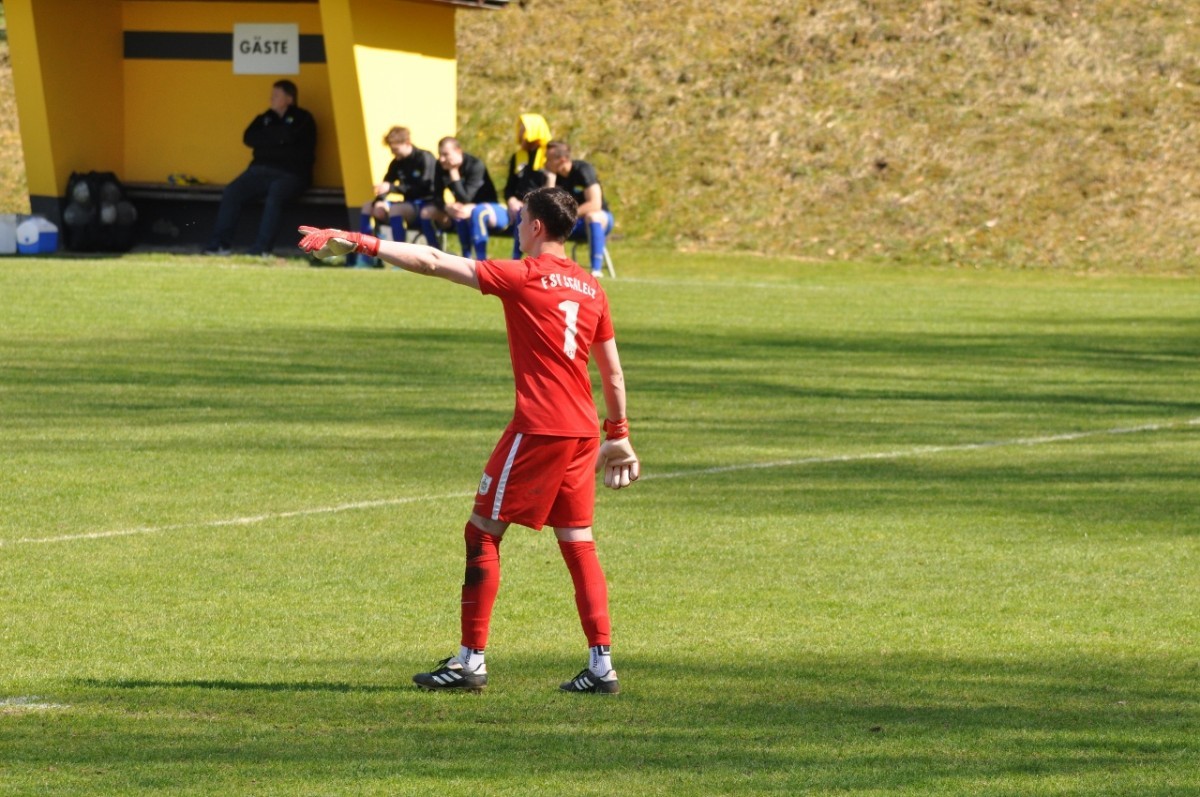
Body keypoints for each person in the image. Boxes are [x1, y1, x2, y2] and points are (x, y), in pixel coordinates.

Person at [296, 186, 640, 694]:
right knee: (578, 543)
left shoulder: (522, 275)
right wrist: (620, 435)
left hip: (538, 428)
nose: (517, 226)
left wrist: (359, 241)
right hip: (584, 431)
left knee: (482, 534)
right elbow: (610, 371)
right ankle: (601, 665)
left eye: (521, 218)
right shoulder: (593, 287)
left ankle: (470, 662)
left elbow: (433, 260)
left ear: (538, 227)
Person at [204, 80, 317, 257]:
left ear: (289, 98)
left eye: (276, 95)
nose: (271, 98)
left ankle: (261, 249)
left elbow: (292, 137)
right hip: (258, 171)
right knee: (232, 191)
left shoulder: (303, 118)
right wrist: (279, 138)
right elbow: (249, 138)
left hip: (291, 174)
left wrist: (269, 138)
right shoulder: (264, 118)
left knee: (275, 194)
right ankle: (219, 245)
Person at [467, 113, 552, 260]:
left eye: (524, 128)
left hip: (534, 209)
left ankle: (516, 259)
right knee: (479, 212)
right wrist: (511, 199)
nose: (519, 132)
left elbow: (550, 190)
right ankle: (479, 259)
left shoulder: (548, 156)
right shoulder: (518, 157)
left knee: (523, 212)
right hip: (512, 208)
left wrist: (527, 203)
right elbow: (509, 187)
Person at [353, 126, 436, 265]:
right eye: (392, 150)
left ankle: (401, 260)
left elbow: (425, 187)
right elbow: (386, 184)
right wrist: (379, 201)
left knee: (396, 209)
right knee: (368, 207)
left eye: (396, 149)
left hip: (425, 203)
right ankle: (366, 257)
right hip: (408, 205)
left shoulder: (424, 158)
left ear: (407, 143)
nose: (394, 153)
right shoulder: (397, 162)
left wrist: (392, 188)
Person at [418, 137, 499, 257]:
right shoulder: (440, 165)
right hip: (459, 206)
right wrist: (446, 207)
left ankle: (474, 257)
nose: (441, 159)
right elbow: (436, 195)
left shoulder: (475, 165)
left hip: (484, 205)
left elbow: (466, 198)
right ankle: (435, 254)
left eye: (445, 154)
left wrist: (453, 172)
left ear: (458, 151)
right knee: (426, 212)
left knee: (462, 211)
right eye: (440, 154)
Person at [544, 140, 614, 277]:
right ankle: (547, 268)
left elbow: (595, 203)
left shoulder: (583, 170)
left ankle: (596, 270)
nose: (545, 162)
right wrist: (550, 181)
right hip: (573, 223)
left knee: (592, 216)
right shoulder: (553, 176)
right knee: (547, 223)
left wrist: (568, 215)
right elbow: (548, 208)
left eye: (548, 159)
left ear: (562, 159)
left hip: (599, 220)